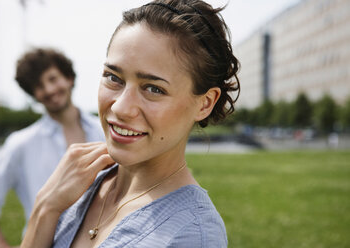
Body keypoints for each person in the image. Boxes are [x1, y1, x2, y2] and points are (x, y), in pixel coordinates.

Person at [21, 0, 240, 247]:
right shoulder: (80, 184)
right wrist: (46, 207)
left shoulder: (193, 234)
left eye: (154, 88)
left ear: (205, 103)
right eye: (113, 78)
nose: (120, 108)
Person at [0, 48, 105, 248]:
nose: (48, 90)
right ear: (33, 95)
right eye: (38, 86)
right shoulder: (20, 143)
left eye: (52, 79)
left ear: (69, 78)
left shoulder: (105, 131)